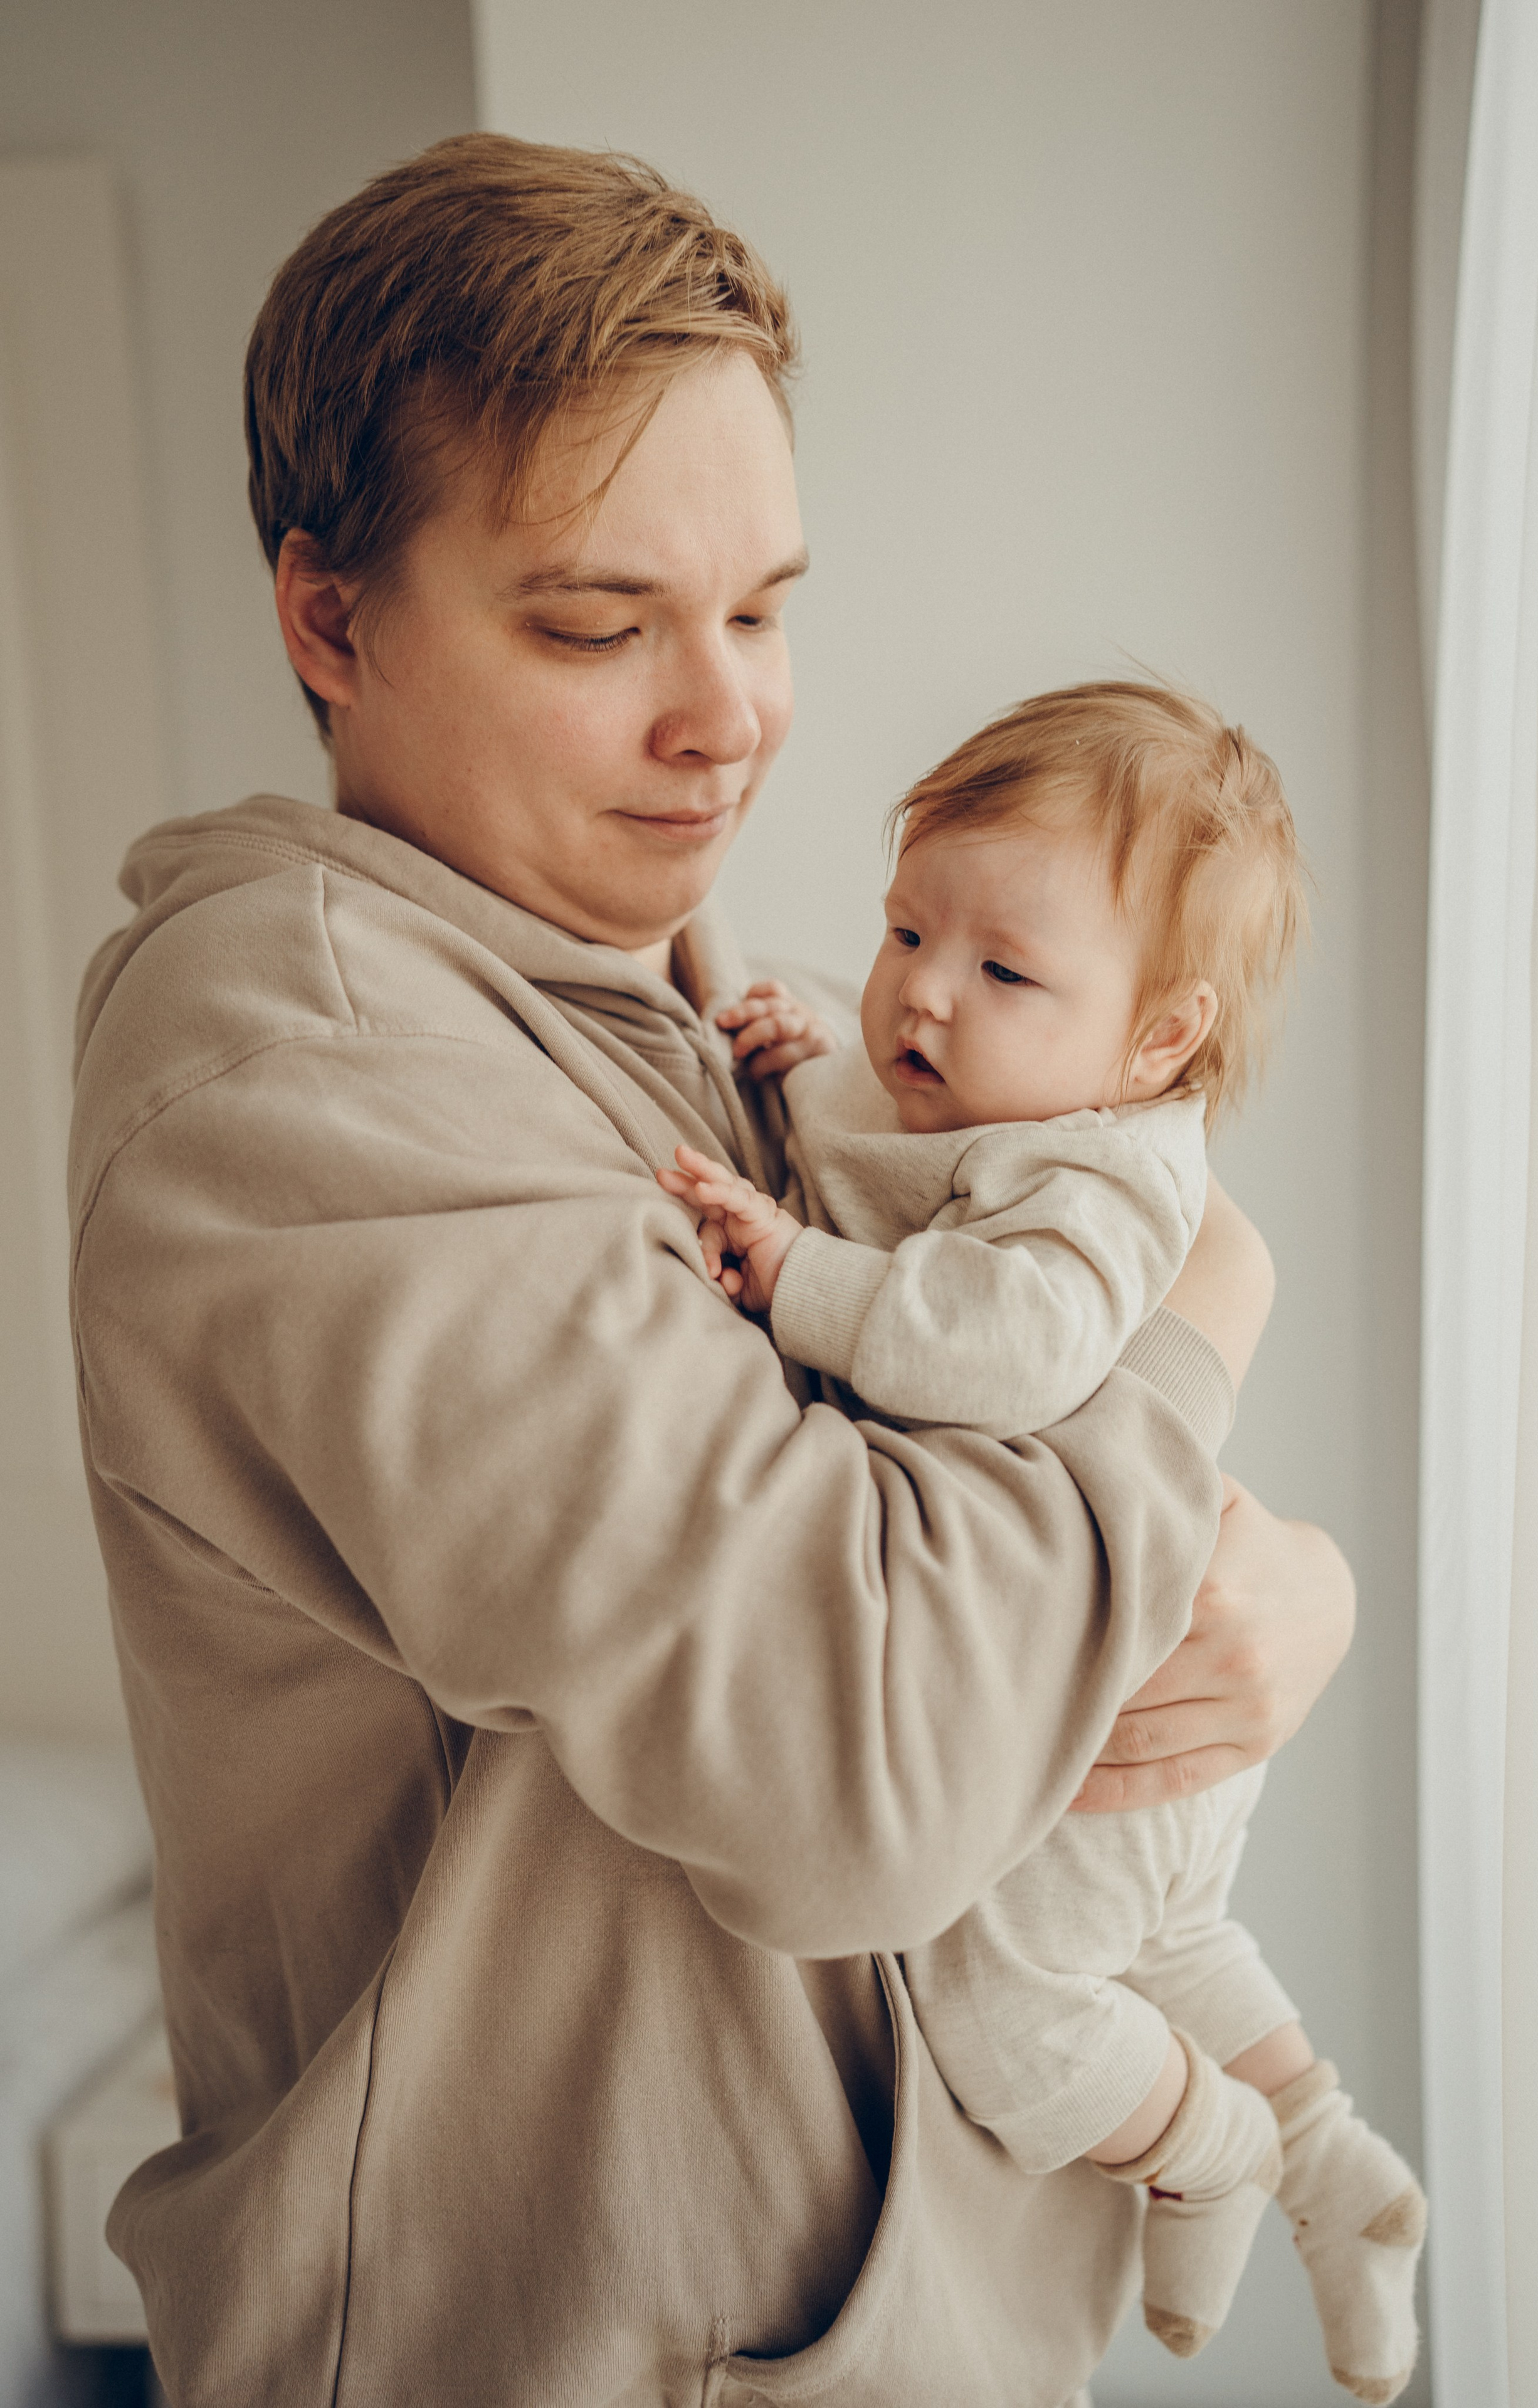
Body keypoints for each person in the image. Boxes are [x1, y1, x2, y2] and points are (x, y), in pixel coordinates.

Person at [68, 136, 1354, 2407]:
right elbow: (872, 1751)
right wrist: (1203, 1320)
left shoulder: (634, 969)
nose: (730, 716)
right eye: (596, 625)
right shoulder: (315, 1063)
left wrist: (1283, 1584)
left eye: (760, 606)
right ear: (329, 619)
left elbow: (946, 1408)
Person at [660, 682, 1425, 2405]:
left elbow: (993, 1345)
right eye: (905, 927)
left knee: (1007, 2004)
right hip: (1159, 1684)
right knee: (1171, 1949)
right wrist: (805, 1053)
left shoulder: (1107, 1184)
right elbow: (887, 1140)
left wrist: (792, 1273)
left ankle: (1207, 2150)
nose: (923, 990)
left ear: (1160, 1041)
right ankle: (1339, 2170)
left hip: (1116, 1698)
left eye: (1002, 971)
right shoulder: (1002, 1097)